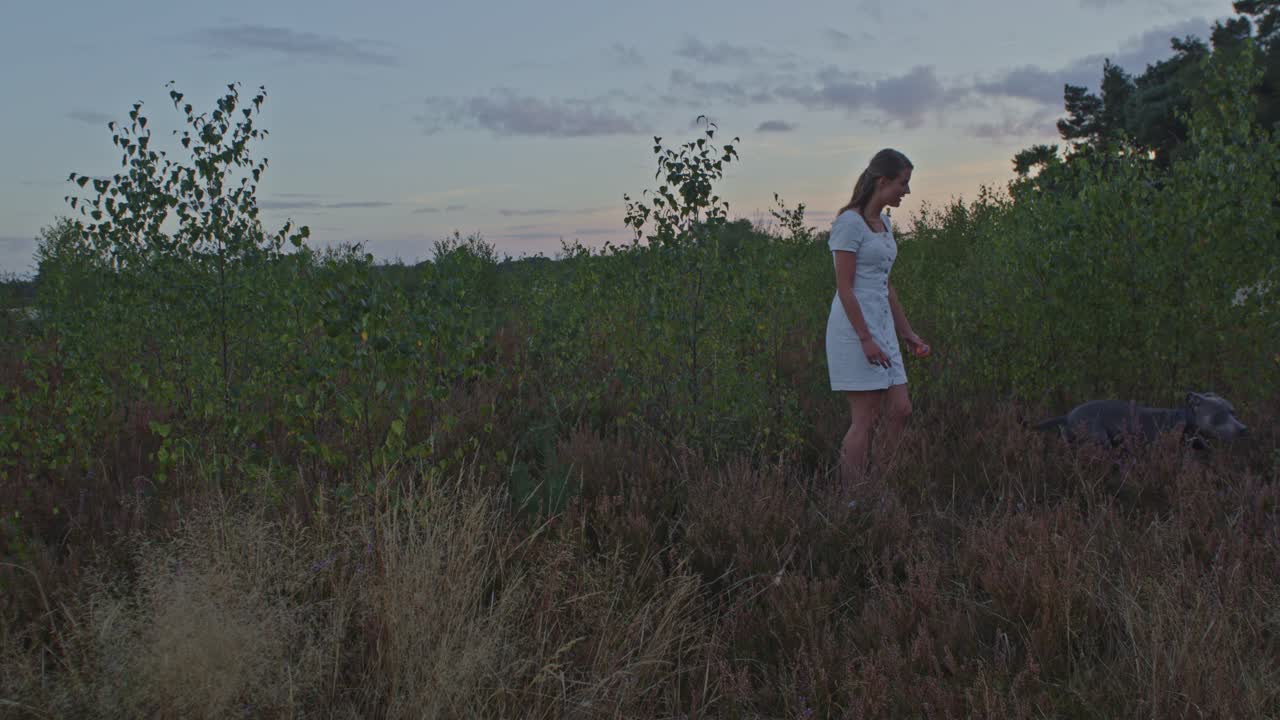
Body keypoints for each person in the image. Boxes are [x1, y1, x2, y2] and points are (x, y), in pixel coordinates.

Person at [824, 148, 928, 490]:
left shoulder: (883, 222)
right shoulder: (848, 223)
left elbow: (886, 285)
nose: (907, 191)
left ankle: (879, 486)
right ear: (883, 181)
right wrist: (865, 339)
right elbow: (845, 287)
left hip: (883, 328)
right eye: (903, 183)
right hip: (855, 331)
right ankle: (852, 498)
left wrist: (908, 333)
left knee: (900, 410)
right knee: (864, 420)